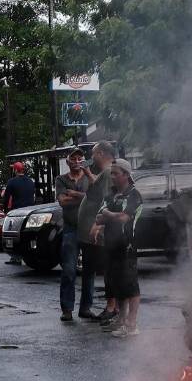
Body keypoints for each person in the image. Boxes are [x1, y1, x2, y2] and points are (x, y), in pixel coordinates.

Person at [93, 159, 143, 337]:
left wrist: (108, 214)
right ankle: (121, 319)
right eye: (111, 173)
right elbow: (98, 218)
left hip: (127, 246)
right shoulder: (111, 194)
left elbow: (124, 218)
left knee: (130, 285)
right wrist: (109, 215)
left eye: (115, 173)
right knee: (117, 283)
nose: (112, 177)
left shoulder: (134, 195)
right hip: (111, 244)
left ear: (126, 175)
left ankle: (132, 324)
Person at [78, 141, 117, 321]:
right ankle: (102, 306)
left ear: (101, 153)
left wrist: (99, 224)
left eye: (93, 154)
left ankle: (112, 307)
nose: (91, 157)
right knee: (92, 268)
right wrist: (87, 173)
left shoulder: (109, 172)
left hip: (98, 233)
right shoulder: (104, 173)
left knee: (108, 269)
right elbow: (99, 190)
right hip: (90, 232)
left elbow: (108, 200)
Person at [55, 148, 91, 321]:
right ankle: (67, 309)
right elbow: (62, 201)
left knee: (89, 270)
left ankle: (86, 308)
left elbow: (95, 198)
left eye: (80, 158)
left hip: (89, 228)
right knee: (69, 269)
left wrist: (75, 194)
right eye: (73, 158)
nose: (77, 161)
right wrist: (85, 197)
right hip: (70, 228)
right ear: (68, 161)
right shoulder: (61, 179)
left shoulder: (90, 177)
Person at [2, 161, 37, 265]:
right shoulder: (30, 181)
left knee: (15, 235)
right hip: (30, 211)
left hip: (17, 212)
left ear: (15, 170)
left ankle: (16, 257)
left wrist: (5, 210)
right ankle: (29, 255)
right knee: (27, 235)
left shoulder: (12, 182)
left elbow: (6, 197)